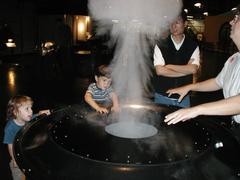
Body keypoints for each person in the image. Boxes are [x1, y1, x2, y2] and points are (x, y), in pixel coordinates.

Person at [164, 5, 240, 141]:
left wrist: (196, 110)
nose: (230, 22)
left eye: (236, 18)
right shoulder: (234, 59)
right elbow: (217, 82)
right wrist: (189, 87)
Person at [152, 10, 200, 107]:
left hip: (183, 98)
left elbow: (193, 69)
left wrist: (169, 66)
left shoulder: (192, 46)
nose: (173, 26)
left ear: (185, 24)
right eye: (171, 22)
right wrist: (185, 70)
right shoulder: (161, 45)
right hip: (162, 96)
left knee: (185, 123)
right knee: (160, 122)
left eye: (177, 22)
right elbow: (160, 71)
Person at [3, 95, 51, 180]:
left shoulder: (27, 118)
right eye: (27, 109)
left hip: (26, 151)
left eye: (31, 108)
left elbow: (35, 116)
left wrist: (41, 113)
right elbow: (10, 145)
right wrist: (14, 159)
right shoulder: (10, 127)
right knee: (18, 173)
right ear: (15, 112)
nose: (31, 111)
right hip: (16, 154)